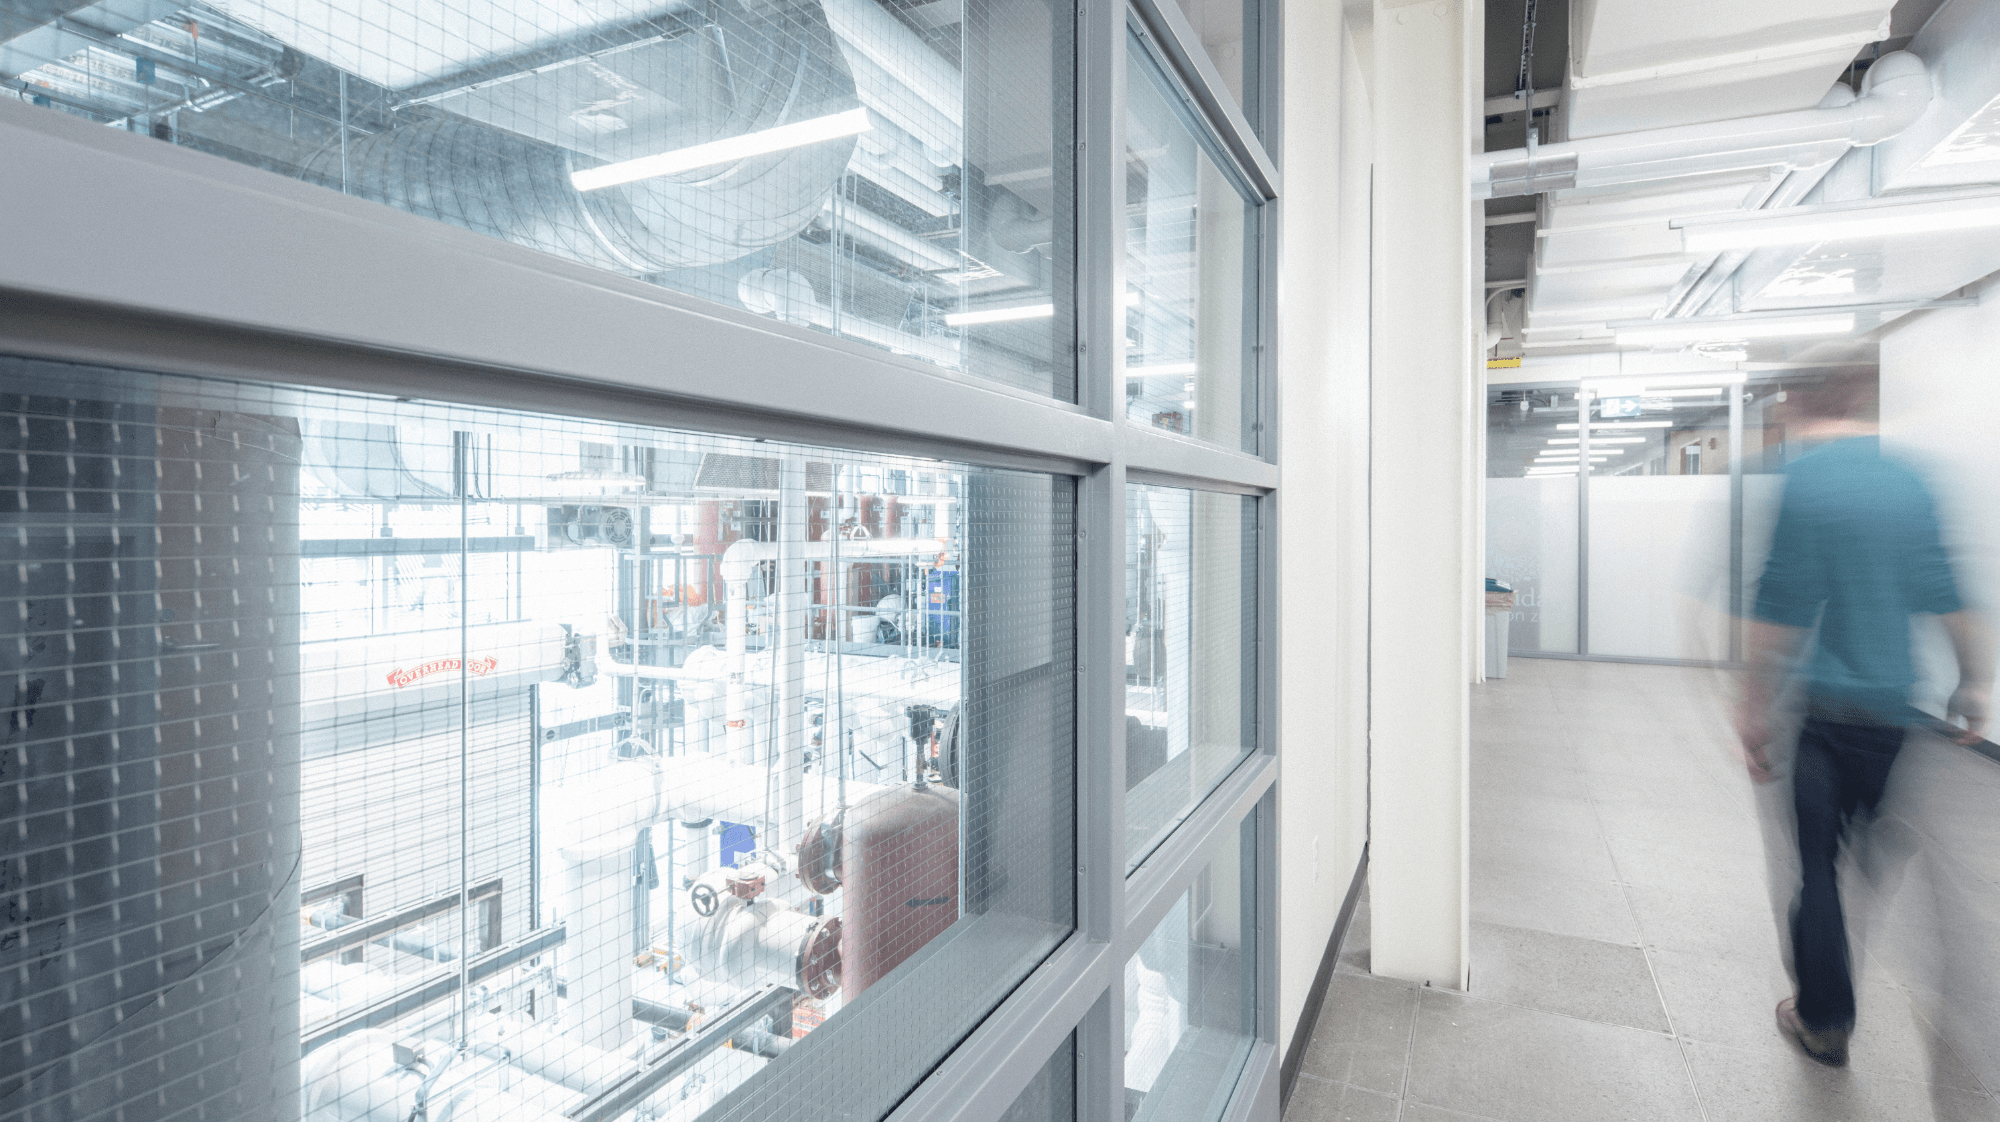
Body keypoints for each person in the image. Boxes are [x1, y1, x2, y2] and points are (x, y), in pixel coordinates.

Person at [1736, 378, 1992, 1067]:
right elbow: (1945, 587)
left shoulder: (1804, 478)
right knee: (1861, 858)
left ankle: (1823, 1017)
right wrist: (1974, 681)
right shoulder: (1911, 479)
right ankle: (1857, 960)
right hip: (1892, 711)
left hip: (1823, 710)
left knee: (1815, 866)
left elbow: (1780, 602)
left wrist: (1753, 705)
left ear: (1808, 401)